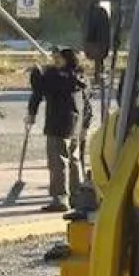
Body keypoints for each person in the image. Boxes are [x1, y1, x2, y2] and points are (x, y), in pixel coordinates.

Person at [26, 47, 92, 212]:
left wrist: (36, 71)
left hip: (57, 125)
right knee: (74, 160)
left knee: (57, 162)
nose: (55, 60)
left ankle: (60, 198)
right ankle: (76, 195)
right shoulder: (81, 78)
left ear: (66, 60)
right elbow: (87, 104)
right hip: (75, 125)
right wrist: (86, 125)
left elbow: (39, 87)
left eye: (58, 58)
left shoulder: (55, 77)